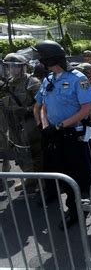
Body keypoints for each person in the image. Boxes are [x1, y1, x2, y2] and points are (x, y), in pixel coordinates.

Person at [33, 40, 91, 230]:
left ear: (50, 59)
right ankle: (75, 210)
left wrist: (60, 125)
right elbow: (43, 105)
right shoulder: (48, 79)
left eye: (42, 58)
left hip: (73, 136)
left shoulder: (78, 78)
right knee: (64, 177)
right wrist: (45, 125)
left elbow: (86, 109)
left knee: (88, 176)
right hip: (54, 136)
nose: (39, 62)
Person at [1, 53, 42, 191]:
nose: (13, 69)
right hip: (13, 124)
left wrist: (27, 110)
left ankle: (42, 182)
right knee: (19, 152)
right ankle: (30, 178)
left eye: (16, 67)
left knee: (36, 152)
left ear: (23, 67)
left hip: (30, 123)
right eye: (10, 66)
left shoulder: (32, 82)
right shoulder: (6, 83)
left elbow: (42, 103)